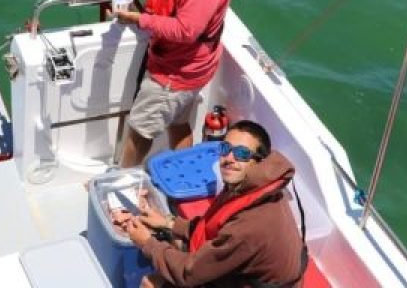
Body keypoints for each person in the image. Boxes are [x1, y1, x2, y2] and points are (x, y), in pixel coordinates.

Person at [113, 0, 233, 168]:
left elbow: (186, 30)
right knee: (179, 122)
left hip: (176, 73)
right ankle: (185, 168)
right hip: (186, 65)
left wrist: (138, 19)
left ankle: (121, 179)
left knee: (140, 131)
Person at [126, 121, 306, 288]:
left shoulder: (250, 226)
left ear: (259, 161)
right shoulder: (257, 187)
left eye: (242, 153)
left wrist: (147, 243)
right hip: (245, 272)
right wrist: (169, 222)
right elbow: (212, 226)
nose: (229, 158)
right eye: (225, 148)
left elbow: (188, 273)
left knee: (151, 283)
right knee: (173, 242)